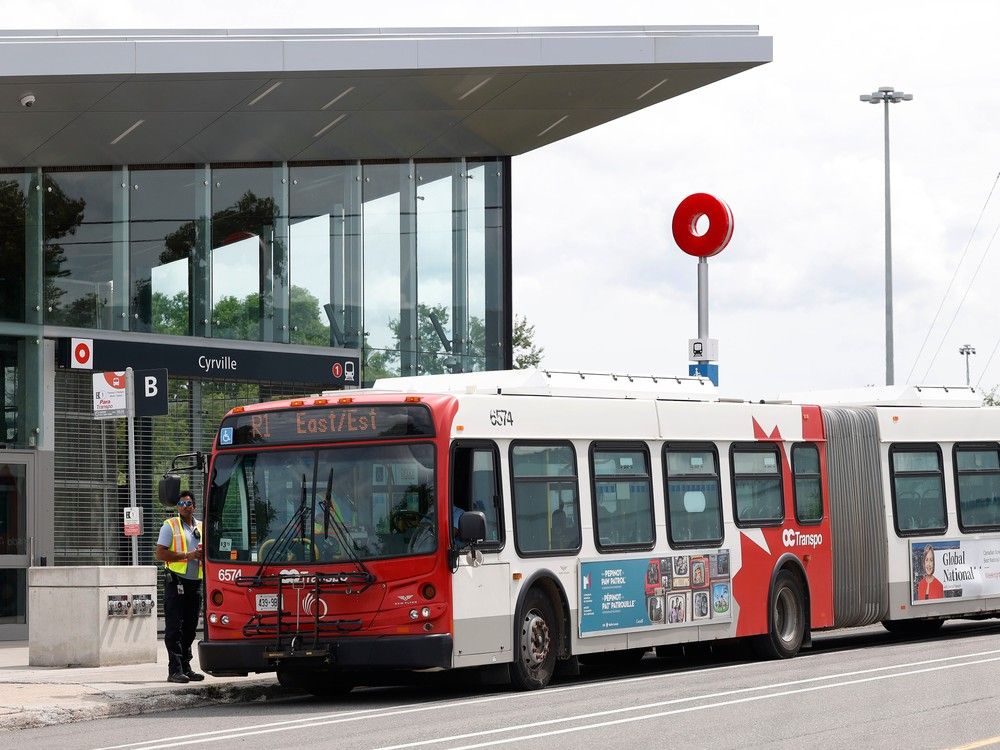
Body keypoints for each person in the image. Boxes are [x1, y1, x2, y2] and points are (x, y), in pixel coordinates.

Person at [155, 490, 205, 683]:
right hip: (176, 581)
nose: (185, 507)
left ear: (194, 506)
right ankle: (174, 670)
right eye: (182, 504)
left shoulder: (200, 525)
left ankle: (186, 666)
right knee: (175, 627)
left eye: (189, 503)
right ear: (177, 507)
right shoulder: (170, 526)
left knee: (191, 627)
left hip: (196, 582)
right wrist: (188, 555)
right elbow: (160, 554)